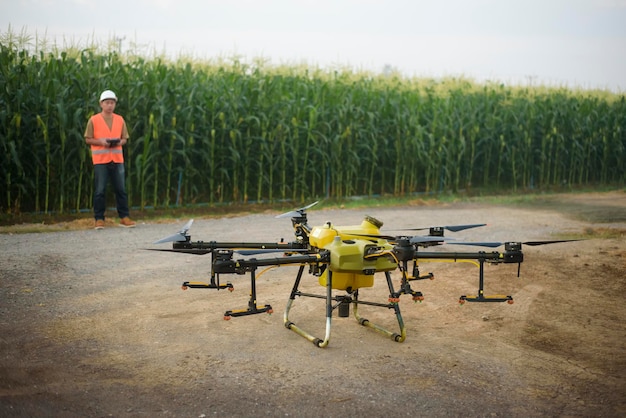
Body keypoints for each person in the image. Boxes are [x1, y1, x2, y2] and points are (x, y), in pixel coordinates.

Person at [84, 90, 136, 229]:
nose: (110, 105)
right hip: (101, 160)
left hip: (117, 159)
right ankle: (99, 219)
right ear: (101, 104)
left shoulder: (120, 119)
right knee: (100, 190)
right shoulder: (93, 120)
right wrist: (100, 142)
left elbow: (125, 138)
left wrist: (119, 142)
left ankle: (124, 217)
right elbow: (88, 139)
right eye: (107, 102)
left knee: (121, 189)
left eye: (112, 103)